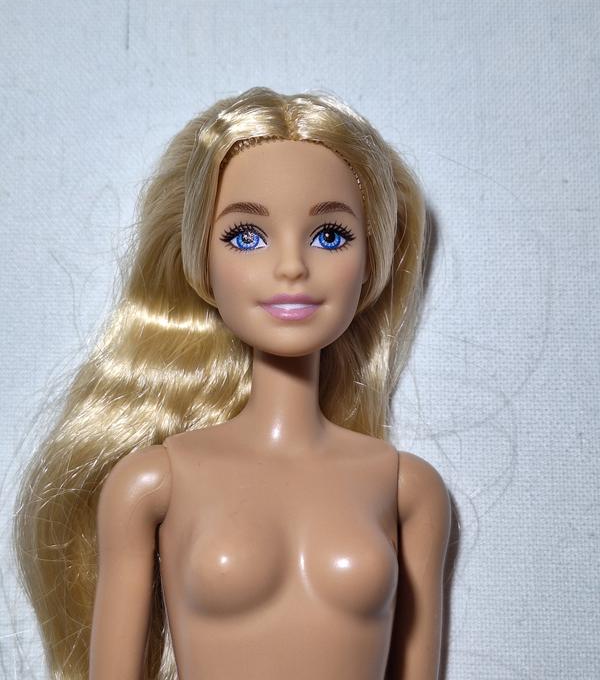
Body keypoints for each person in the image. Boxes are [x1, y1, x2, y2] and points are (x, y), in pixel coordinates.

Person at [13, 87, 451, 679]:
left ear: (371, 261)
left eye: (330, 235)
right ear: (202, 261)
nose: (291, 267)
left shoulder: (407, 489)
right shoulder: (153, 483)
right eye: (247, 235)